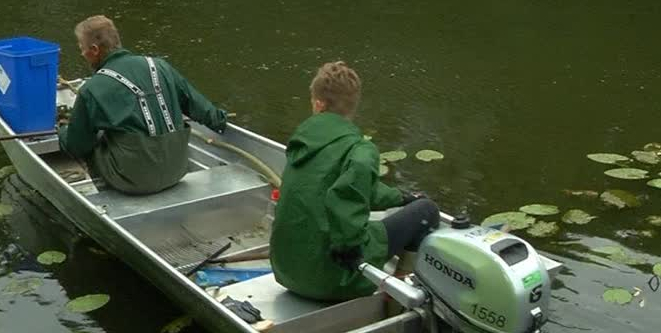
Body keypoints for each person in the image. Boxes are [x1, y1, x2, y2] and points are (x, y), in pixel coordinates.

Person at [270, 61, 440, 302]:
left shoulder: (302, 143)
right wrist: (347, 246)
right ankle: (401, 293)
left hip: (286, 271)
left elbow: (358, 190)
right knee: (427, 211)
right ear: (353, 106)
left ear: (318, 104)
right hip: (333, 279)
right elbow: (346, 196)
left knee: (390, 214)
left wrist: (401, 197)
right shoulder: (359, 150)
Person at [59, 15, 228, 195]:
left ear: (94, 49)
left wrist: (62, 131)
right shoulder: (160, 66)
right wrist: (219, 119)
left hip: (134, 181)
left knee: (94, 139)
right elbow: (200, 107)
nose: (82, 54)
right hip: (177, 169)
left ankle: (104, 191)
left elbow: (77, 145)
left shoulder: (92, 88)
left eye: (82, 48)